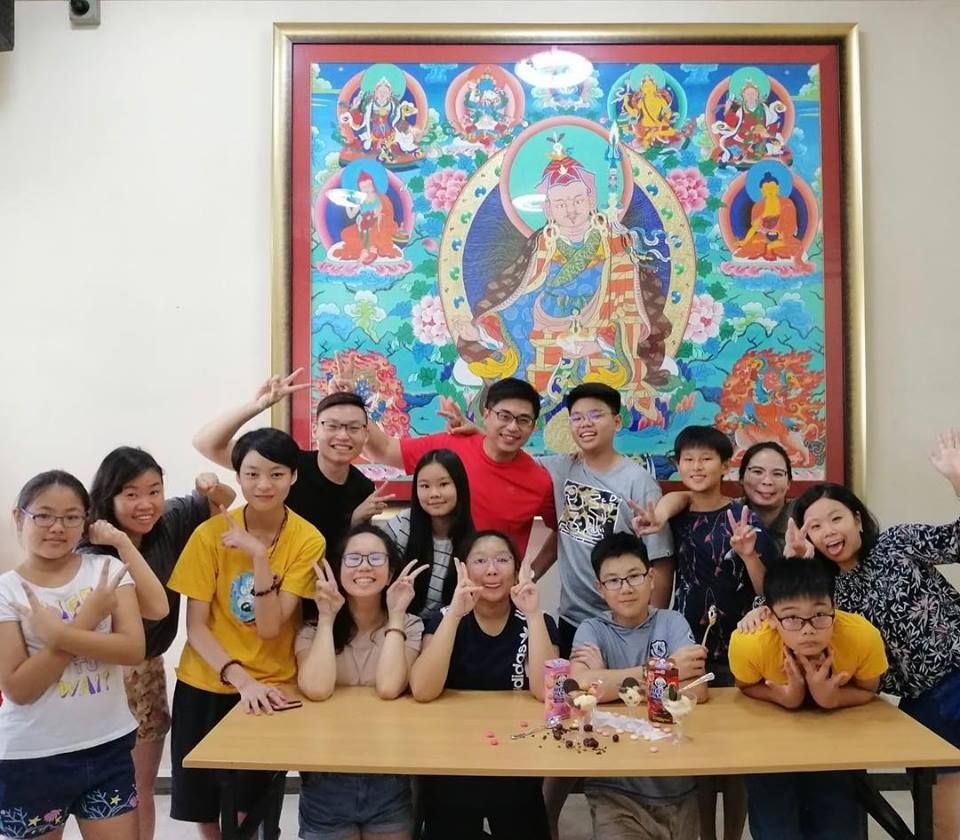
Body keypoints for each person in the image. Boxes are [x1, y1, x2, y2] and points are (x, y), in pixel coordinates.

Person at [758, 429, 960, 840]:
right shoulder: (825, 589)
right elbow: (776, 613)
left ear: (857, 519)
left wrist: (957, 479)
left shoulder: (898, 543)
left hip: (957, 676)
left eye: (836, 518)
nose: (829, 531)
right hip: (919, 702)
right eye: (815, 526)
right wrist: (793, 563)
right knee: (940, 816)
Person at [167, 428, 326, 837]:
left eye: (276, 474)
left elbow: (271, 628)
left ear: (293, 476)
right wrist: (240, 680)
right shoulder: (209, 535)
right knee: (204, 808)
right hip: (206, 681)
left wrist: (258, 557)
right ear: (237, 477)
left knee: (249, 811)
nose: (263, 485)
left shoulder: (307, 539)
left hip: (271, 686)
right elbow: (196, 628)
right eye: (252, 474)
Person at [631, 425, 777, 840]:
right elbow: (677, 498)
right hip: (690, 648)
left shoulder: (744, 518)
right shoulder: (677, 514)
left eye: (706, 459)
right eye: (688, 459)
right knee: (695, 749)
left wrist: (749, 554)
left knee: (737, 757)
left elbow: (768, 590)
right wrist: (659, 515)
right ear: (678, 465)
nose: (696, 467)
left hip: (741, 647)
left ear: (726, 465)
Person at [83, 446, 235, 840]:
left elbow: (226, 499)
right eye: (131, 494)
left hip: (147, 667)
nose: (146, 504)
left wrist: (212, 487)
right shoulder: (89, 546)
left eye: (154, 491)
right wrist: (121, 542)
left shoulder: (171, 520)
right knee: (103, 788)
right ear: (108, 495)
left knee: (140, 786)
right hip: (99, 673)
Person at [0, 471, 147, 839]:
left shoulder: (107, 571)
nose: (57, 527)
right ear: (19, 517)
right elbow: (19, 688)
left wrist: (59, 634)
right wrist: (87, 620)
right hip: (32, 757)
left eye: (70, 517)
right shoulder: (6, 591)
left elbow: (132, 649)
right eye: (43, 515)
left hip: (108, 747)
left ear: (85, 522)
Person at [409, 530, 559, 838]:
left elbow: (547, 692)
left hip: (517, 759)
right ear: (463, 569)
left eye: (502, 560)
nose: (491, 570)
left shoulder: (539, 621)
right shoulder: (443, 619)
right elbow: (422, 690)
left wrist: (532, 615)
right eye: (480, 561)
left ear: (517, 569)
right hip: (451, 760)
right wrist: (455, 614)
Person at [729, 555, 887, 839]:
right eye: (791, 617)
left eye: (819, 615)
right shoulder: (749, 643)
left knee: (838, 826)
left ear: (834, 607)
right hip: (771, 741)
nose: (808, 629)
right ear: (770, 617)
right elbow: (746, 686)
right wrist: (786, 698)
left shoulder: (862, 637)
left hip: (838, 738)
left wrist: (831, 699)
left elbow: (868, 689)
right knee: (776, 828)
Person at [569, 531, 707, 839]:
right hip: (614, 788)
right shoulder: (591, 629)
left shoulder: (672, 622)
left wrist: (607, 680)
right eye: (613, 581)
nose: (626, 588)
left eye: (634, 576)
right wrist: (664, 670)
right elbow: (581, 688)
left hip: (676, 785)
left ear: (651, 578)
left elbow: (698, 689)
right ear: (600, 588)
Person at [296, 524, 426, 840]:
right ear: (338, 568)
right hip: (326, 777)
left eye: (375, 558)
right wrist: (327, 617)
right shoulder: (312, 628)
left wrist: (396, 615)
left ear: (391, 572)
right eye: (353, 559)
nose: (365, 566)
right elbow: (316, 689)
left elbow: (389, 687)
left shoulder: (410, 625)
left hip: (389, 776)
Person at [534, 383, 674, 656]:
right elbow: (509, 458)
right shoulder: (562, 468)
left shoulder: (638, 482)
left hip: (624, 622)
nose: (585, 424)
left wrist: (652, 629)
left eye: (596, 415)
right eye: (576, 418)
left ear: (617, 421)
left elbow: (661, 562)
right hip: (572, 619)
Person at [193, 370, 382, 561]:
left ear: (365, 435)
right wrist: (257, 405)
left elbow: (345, 556)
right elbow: (206, 444)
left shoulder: (363, 488)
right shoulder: (286, 463)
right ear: (315, 430)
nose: (342, 435)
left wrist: (354, 521)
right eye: (332, 426)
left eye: (353, 428)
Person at [362, 377, 557, 558]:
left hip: (494, 581)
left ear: (533, 427)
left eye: (523, 420)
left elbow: (564, 532)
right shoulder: (450, 447)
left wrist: (532, 573)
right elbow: (384, 450)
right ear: (486, 415)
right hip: (436, 577)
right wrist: (352, 405)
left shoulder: (539, 482)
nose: (513, 427)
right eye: (504, 416)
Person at [381, 449, 474, 618]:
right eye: (424, 486)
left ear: (459, 486)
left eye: (443, 484)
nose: (434, 494)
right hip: (397, 621)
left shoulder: (473, 543)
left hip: (448, 625)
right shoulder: (402, 525)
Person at [737, 441, 793, 552]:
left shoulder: (804, 516)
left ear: (788, 483)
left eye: (777, 474)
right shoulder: (725, 515)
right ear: (742, 478)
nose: (767, 481)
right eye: (757, 472)